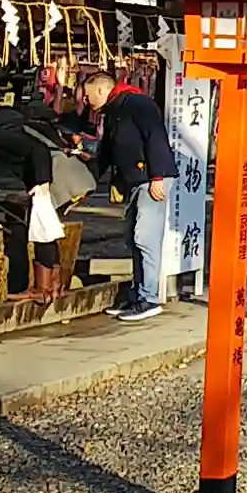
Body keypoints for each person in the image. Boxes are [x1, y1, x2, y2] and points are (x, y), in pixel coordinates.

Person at [0, 92, 92, 302]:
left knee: (41, 232)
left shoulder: (1, 134)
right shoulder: (5, 124)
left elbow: (38, 150)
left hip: (52, 177)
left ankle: (42, 290)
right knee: (47, 230)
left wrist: (42, 183)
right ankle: (55, 287)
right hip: (63, 174)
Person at [81, 72, 177, 322]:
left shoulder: (138, 103)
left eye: (87, 95)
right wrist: (86, 181)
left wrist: (158, 176)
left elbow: (155, 137)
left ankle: (149, 299)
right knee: (133, 239)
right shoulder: (112, 111)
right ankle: (137, 295)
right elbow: (107, 152)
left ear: (100, 90)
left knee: (145, 238)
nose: (84, 100)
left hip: (151, 178)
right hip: (135, 181)